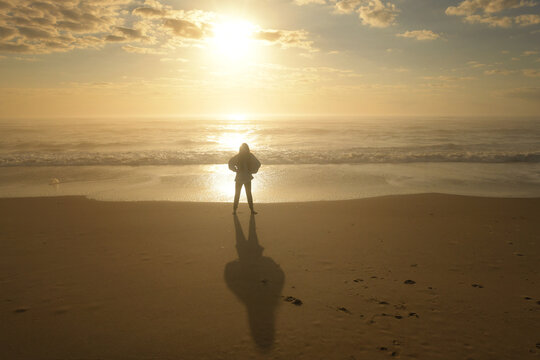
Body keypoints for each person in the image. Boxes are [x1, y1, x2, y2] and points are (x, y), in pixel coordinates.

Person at [228, 143, 261, 215]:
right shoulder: (249, 156)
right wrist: (253, 170)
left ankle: (235, 210)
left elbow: (230, 163)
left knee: (239, 194)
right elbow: (258, 164)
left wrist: (235, 169)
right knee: (246, 194)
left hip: (242, 177)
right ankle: (250, 210)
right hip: (246, 177)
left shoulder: (239, 156)